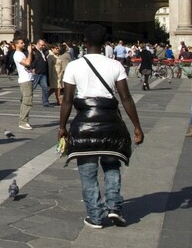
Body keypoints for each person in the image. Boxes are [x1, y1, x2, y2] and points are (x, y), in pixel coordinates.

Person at [59, 24, 144, 229]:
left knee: (88, 173)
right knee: (112, 165)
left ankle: (96, 216)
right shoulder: (115, 65)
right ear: (105, 42)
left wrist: (62, 126)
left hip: (84, 124)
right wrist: (137, 127)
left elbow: (68, 100)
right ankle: (114, 206)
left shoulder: (74, 66)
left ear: (84, 42)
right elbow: (126, 98)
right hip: (110, 123)